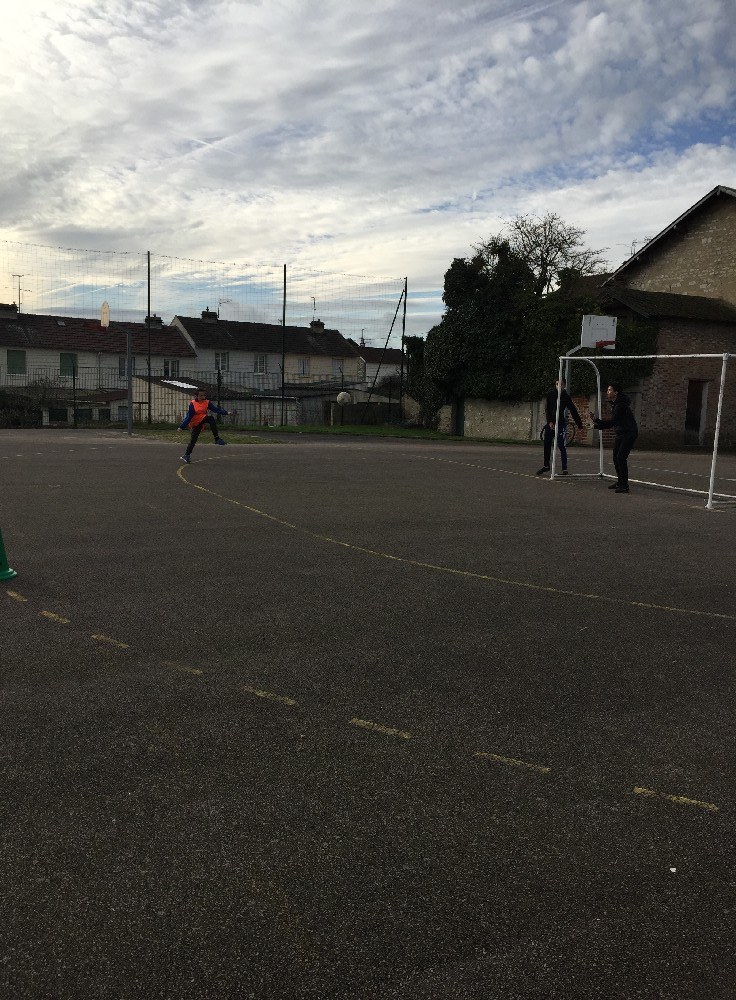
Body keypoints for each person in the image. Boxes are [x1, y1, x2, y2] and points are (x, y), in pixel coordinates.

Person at [589, 383, 638, 493]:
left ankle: (624, 485)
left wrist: (596, 425)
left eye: (610, 390)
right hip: (621, 433)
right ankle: (620, 482)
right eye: (607, 390)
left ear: (616, 392)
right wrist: (596, 420)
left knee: (621, 457)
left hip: (629, 433)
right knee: (616, 457)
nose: (607, 392)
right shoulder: (616, 404)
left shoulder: (620, 405)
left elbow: (612, 423)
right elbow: (614, 422)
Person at [537, 378, 584, 476]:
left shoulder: (565, 397)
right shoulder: (550, 395)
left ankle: (564, 468)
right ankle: (546, 465)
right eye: (557, 384)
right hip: (551, 423)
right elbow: (547, 409)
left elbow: (573, 410)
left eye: (561, 384)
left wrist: (579, 424)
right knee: (547, 444)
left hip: (560, 423)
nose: (559, 386)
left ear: (564, 385)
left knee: (561, 445)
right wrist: (550, 422)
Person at [177, 389, 229, 463]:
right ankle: (187, 455)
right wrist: (181, 427)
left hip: (202, 419)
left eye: (204, 395)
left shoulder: (207, 402)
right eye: (201, 395)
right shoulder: (193, 404)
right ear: (196, 396)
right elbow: (189, 417)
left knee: (210, 419)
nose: (203, 397)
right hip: (195, 422)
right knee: (193, 440)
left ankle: (217, 439)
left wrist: (226, 412)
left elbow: (216, 409)